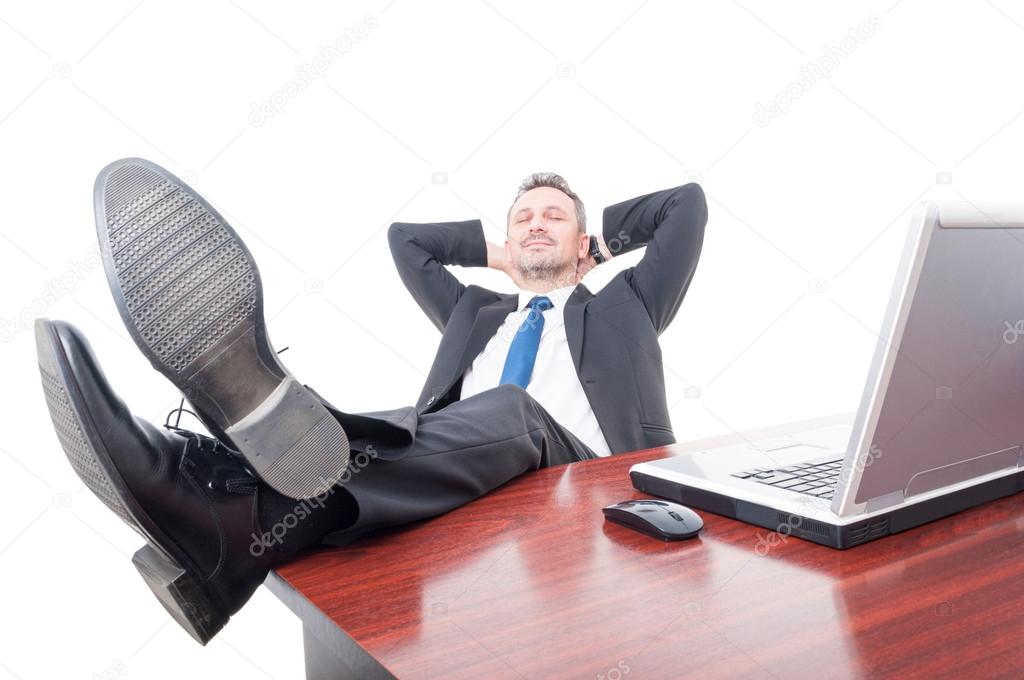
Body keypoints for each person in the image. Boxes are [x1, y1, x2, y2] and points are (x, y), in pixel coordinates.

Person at [34, 158, 707, 645]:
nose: (536, 224)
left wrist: (601, 246)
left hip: (588, 481)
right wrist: (496, 254)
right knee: (407, 430)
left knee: (512, 410)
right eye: (523, 217)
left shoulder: (628, 304)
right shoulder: (475, 310)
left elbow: (687, 205)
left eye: (554, 218)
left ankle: (228, 487)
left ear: (580, 239)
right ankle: (232, 524)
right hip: (461, 478)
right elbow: (406, 242)